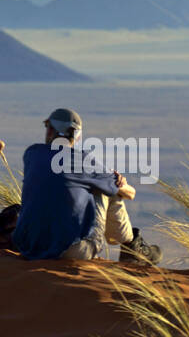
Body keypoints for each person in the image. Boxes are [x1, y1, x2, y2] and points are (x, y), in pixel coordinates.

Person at [12, 109, 161, 263]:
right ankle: (131, 246)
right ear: (77, 135)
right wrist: (118, 182)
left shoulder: (32, 153)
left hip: (28, 247)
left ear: (50, 130)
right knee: (108, 190)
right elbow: (130, 194)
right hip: (71, 251)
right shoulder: (83, 161)